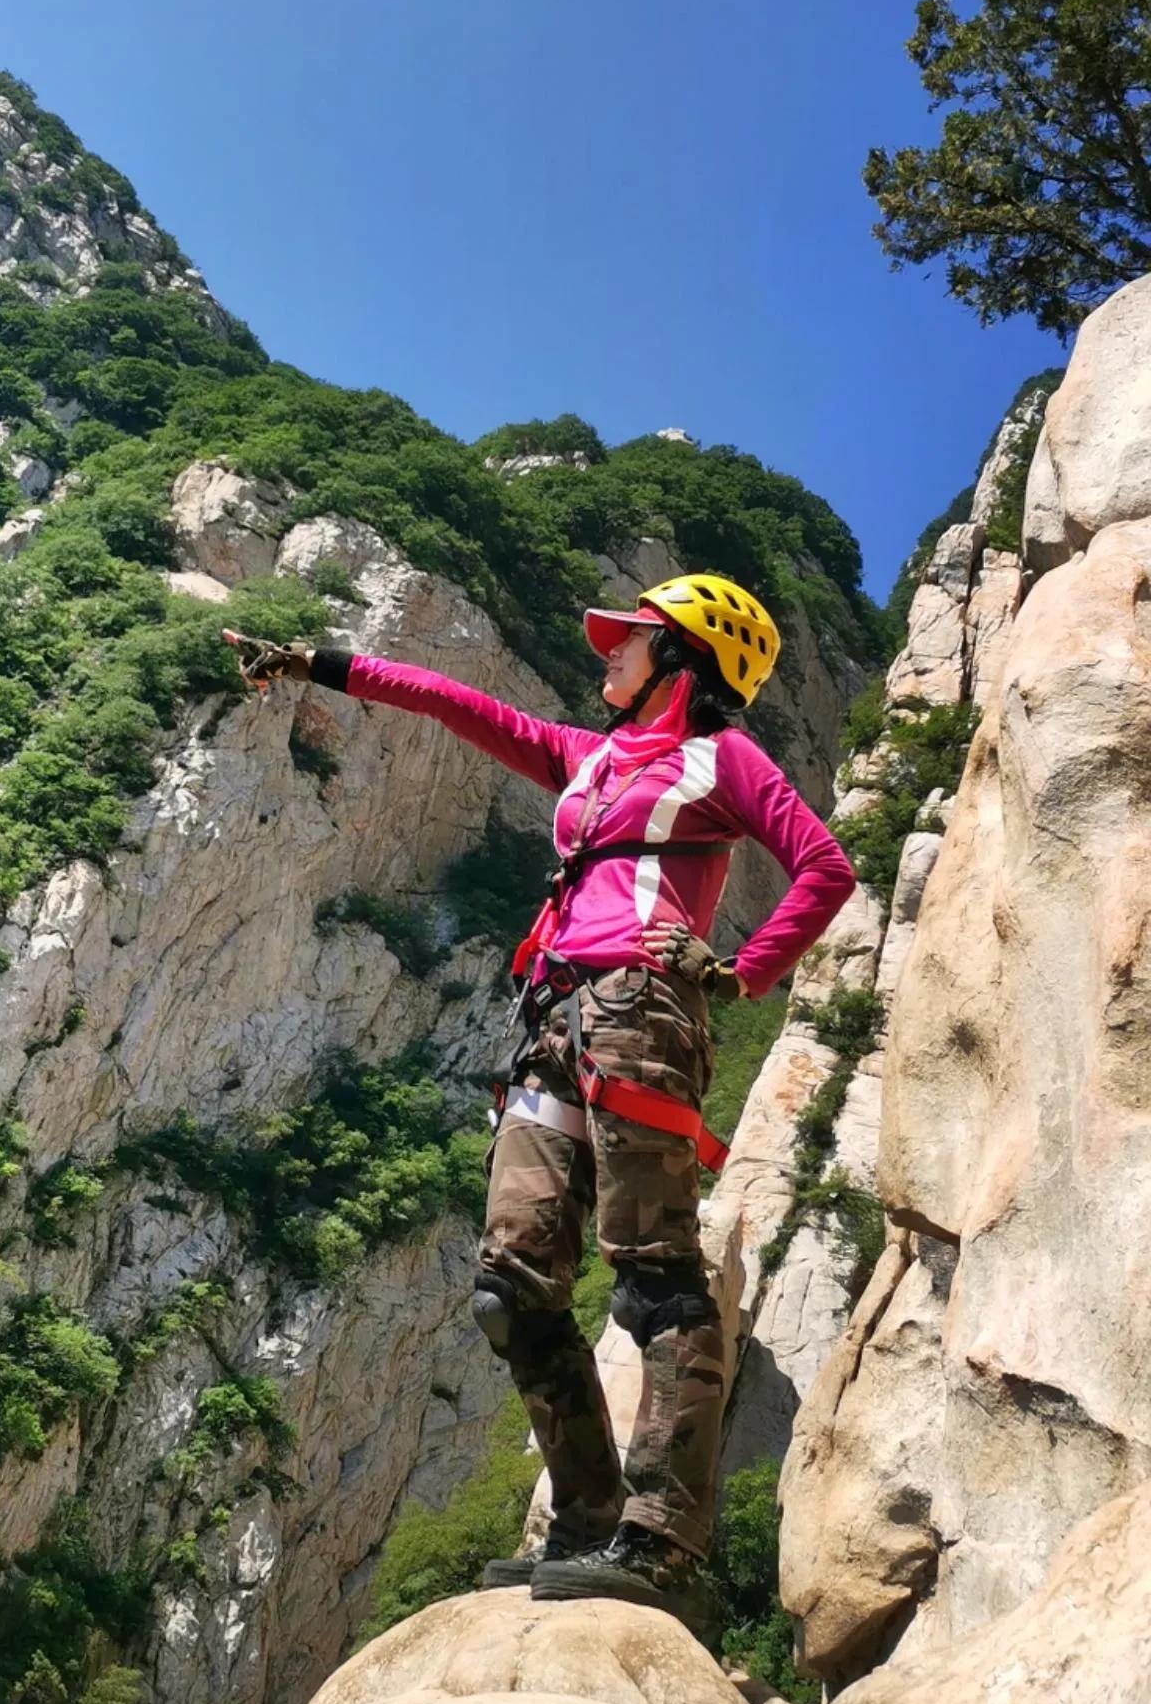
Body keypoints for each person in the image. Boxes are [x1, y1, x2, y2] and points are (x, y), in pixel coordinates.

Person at [224, 574, 855, 1627]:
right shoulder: (589, 755)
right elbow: (452, 702)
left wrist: (742, 970)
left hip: (641, 1014)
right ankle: (588, 1516)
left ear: (687, 658)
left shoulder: (724, 758)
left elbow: (822, 867)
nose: (606, 651)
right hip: (551, 1019)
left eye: (632, 638)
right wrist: (316, 661)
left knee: (655, 1276)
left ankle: (663, 1542)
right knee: (509, 1283)